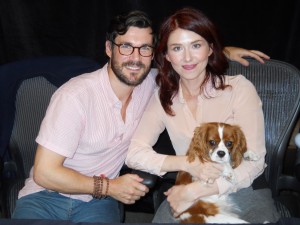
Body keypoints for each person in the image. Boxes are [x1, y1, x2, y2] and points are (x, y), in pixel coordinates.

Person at [12, 9, 270, 223]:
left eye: (144, 49)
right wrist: (184, 165)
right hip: (47, 197)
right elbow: (46, 173)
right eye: (126, 47)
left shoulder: (158, 85)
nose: (135, 58)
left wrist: (226, 51)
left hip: (232, 189)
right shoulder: (85, 95)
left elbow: (188, 64)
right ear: (108, 49)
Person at [125, 7, 280, 223]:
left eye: (196, 45)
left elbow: (254, 161)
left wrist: (198, 190)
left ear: (210, 49)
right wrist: (187, 164)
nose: (187, 57)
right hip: (188, 187)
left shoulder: (239, 89)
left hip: (242, 186)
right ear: (167, 56)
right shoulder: (163, 98)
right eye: (177, 48)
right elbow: (134, 154)